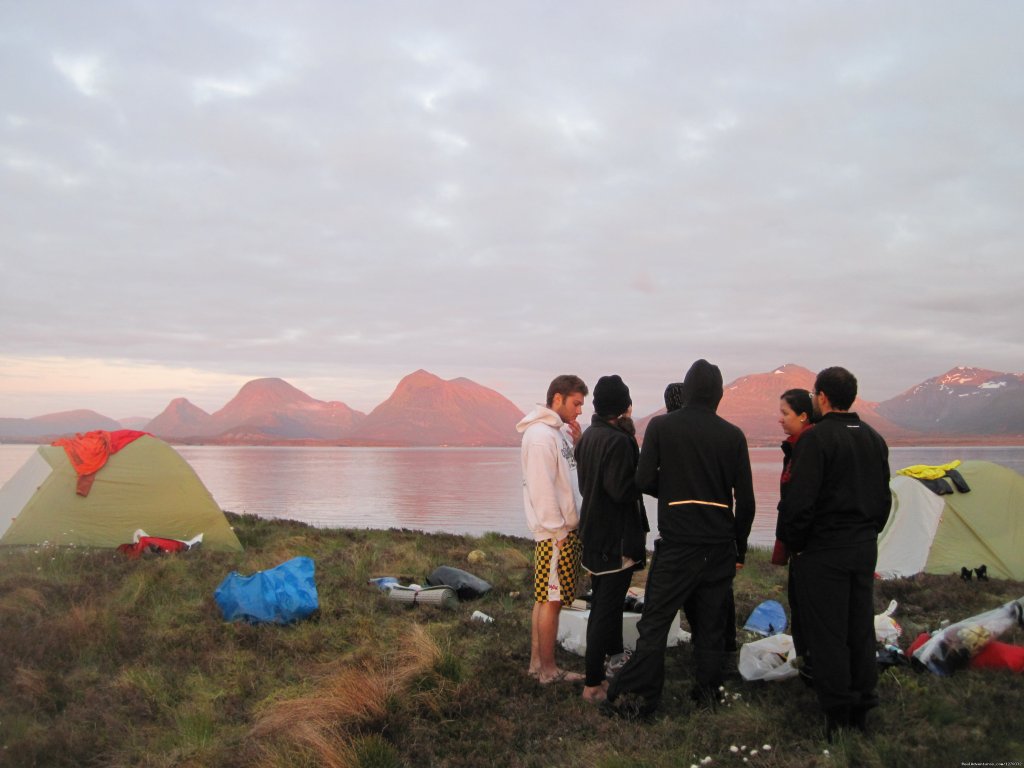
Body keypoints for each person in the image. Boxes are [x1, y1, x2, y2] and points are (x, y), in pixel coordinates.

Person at [604, 359, 755, 717]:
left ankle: (641, 701)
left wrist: (671, 490)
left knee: (655, 623)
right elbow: (745, 501)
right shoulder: (733, 436)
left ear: (686, 393)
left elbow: (641, 481)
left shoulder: (662, 427)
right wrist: (741, 546)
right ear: (718, 395)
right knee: (711, 625)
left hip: (678, 546)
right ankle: (708, 692)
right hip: (719, 546)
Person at [778, 367, 891, 739]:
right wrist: (868, 530)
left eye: (814, 395)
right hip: (863, 546)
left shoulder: (817, 440)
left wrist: (796, 542)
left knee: (826, 631)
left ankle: (838, 712)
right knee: (859, 626)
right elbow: (882, 500)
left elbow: (799, 503)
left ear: (822, 397)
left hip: (823, 550)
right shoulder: (874, 438)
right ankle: (863, 702)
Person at [574, 375, 649, 704]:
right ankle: (593, 683)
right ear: (624, 407)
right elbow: (622, 490)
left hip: (593, 535)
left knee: (607, 602)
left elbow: (585, 487)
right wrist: (645, 475)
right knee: (604, 609)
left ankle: (615, 658)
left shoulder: (589, 436)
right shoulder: (619, 441)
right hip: (615, 539)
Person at [516, 374, 589, 685]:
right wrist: (558, 530)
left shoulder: (556, 433)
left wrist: (577, 443)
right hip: (554, 532)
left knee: (545, 596)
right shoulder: (540, 437)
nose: (580, 410)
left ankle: (537, 664)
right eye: (576, 403)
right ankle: (548, 670)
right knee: (552, 600)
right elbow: (542, 489)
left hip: (558, 530)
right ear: (557, 398)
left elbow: (567, 479)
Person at [771, 388, 814, 681]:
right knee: (799, 606)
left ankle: (812, 668)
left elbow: (802, 502)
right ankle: (806, 663)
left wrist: (796, 541)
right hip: (801, 546)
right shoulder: (795, 448)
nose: (780, 419)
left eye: (785, 413)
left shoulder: (809, 449)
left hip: (808, 548)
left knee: (808, 609)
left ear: (803, 415)